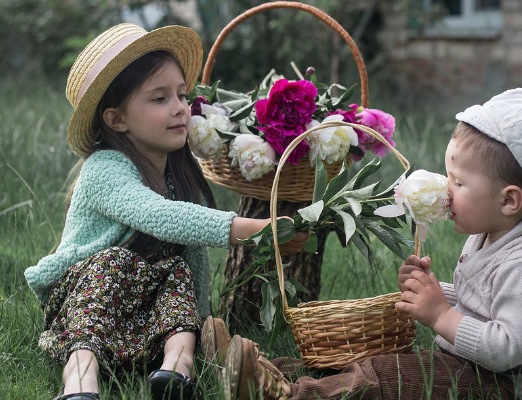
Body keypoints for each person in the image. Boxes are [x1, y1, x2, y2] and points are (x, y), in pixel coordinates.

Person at [220, 88, 522, 400]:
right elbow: (482, 305)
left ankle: (284, 393)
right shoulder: (493, 234)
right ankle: (260, 365)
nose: (446, 188)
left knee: (386, 376)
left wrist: (440, 314)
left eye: (458, 183)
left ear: (509, 201)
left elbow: (508, 351)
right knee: (368, 354)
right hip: (475, 367)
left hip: (504, 385)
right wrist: (432, 292)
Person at [23, 23, 308, 400]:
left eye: (181, 95)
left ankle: (176, 370)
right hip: (84, 310)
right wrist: (256, 230)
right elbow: (159, 215)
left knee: (177, 273)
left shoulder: (175, 172)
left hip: (142, 325)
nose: (179, 108)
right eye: (159, 99)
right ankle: (79, 381)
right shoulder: (105, 168)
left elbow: (193, 261)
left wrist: (201, 315)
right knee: (114, 261)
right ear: (116, 119)